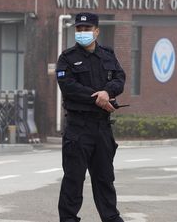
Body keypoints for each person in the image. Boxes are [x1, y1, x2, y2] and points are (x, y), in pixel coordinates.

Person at [56, 12, 126, 222]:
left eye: (87, 29)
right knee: (73, 180)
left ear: (96, 31)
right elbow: (68, 87)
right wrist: (98, 97)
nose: (83, 33)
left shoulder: (108, 54)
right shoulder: (67, 58)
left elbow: (120, 78)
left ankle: (111, 218)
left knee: (105, 178)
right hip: (78, 127)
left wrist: (108, 92)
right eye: (79, 29)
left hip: (102, 128)